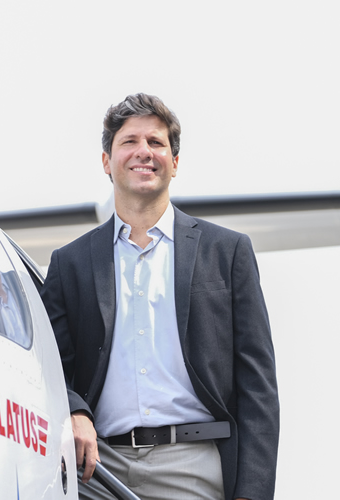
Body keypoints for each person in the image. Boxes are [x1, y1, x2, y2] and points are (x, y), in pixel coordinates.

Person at [40, 93, 279, 500]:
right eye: (129, 141)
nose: (144, 152)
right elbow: (48, 368)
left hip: (191, 464)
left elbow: (258, 384)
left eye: (156, 142)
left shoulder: (227, 252)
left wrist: (251, 494)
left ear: (175, 162)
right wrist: (75, 410)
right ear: (106, 161)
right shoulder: (70, 263)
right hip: (99, 469)